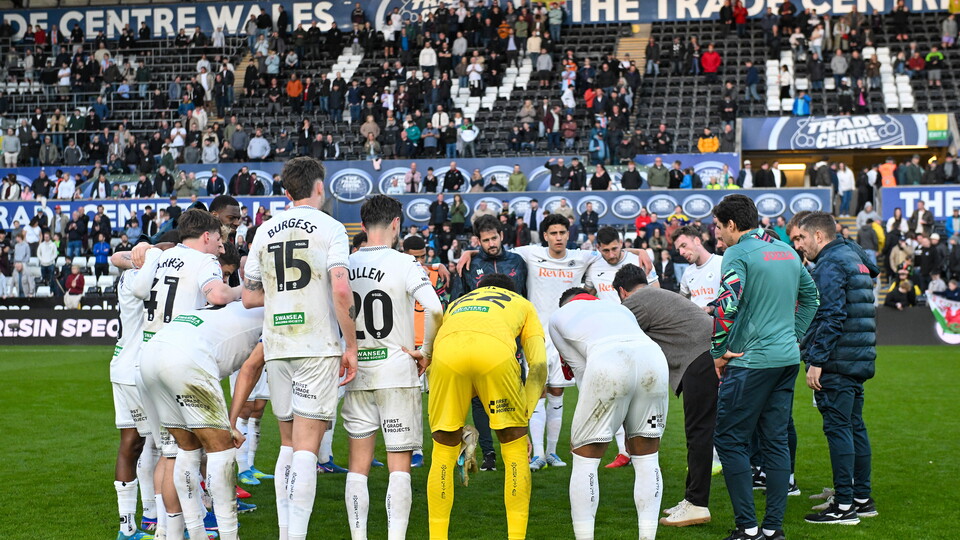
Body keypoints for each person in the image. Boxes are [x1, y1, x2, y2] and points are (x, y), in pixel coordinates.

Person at [241, 157, 358, 540]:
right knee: (308, 445)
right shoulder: (332, 228)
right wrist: (351, 345)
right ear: (319, 187)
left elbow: (250, 290)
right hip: (316, 343)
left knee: (289, 443)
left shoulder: (265, 229)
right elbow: (341, 289)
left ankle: (285, 532)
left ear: (287, 192)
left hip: (277, 344)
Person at [123, 210, 240, 540]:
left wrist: (141, 248)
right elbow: (216, 295)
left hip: (146, 358)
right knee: (184, 454)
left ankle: (165, 530)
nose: (220, 245)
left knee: (167, 452)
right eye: (218, 238)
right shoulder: (203, 262)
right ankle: (181, 530)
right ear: (205, 236)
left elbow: (123, 260)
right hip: (179, 356)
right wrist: (240, 292)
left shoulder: (162, 254)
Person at [711, 194, 819, 540]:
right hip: (786, 359)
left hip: (751, 362)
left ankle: (747, 528)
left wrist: (718, 351)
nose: (718, 235)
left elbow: (727, 304)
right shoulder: (787, 251)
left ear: (731, 225)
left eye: (718, 227)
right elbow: (812, 298)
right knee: (775, 442)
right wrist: (792, 335)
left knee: (729, 440)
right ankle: (773, 530)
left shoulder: (738, 252)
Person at [344, 195, 444, 540]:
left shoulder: (344, 263)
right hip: (398, 372)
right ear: (396, 224)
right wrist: (425, 351)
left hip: (357, 374)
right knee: (399, 466)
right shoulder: (404, 263)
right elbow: (436, 310)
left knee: (358, 467)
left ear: (362, 223)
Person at [426, 273, 546, 540]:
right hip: (495, 355)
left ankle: (437, 536)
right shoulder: (522, 303)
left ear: (479, 288)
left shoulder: (458, 301)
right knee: (513, 449)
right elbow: (538, 365)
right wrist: (521, 419)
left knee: (443, 452)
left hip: (445, 357)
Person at [549, 288, 669, 540]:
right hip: (654, 359)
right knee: (648, 459)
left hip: (607, 360)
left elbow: (581, 371)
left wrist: (602, 421)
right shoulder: (619, 307)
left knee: (585, 458)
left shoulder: (558, 316)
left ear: (566, 303)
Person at [140, 301, 263, 540]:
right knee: (222, 451)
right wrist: (231, 422)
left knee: (185, 449)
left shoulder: (232, 305)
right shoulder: (275, 310)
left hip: (151, 353)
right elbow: (251, 368)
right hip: (187, 356)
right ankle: (230, 535)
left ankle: (195, 533)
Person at [612, 264, 719, 528]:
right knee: (701, 432)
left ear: (622, 292)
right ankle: (692, 499)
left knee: (700, 433)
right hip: (707, 354)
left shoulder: (635, 302)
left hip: (699, 359)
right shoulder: (656, 295)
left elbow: (619, 343)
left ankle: (697, 503)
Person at [793, 212, 877, 525]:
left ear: (818, 235)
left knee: (840, 428)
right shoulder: (852, 255)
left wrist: (816, 361)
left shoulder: (830, 263)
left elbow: (832, 316)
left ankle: (844, 507)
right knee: (854, 425)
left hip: (838, 360)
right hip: (858, 356)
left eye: (801, 238)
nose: (799, 245)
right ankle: (861, 498)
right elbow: (872, 274)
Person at [451, 214, 529, 471]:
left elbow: (524, 299)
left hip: (512, 341)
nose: (491, 244)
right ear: (478, 241)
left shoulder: (517, 261)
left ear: (502, 236)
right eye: (485, 240)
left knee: (516, 395)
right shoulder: (470, 264)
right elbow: (456, 301)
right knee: (478, 400)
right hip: (478, 340)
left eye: (494, 238)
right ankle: (488, 453)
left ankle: (517, 449)